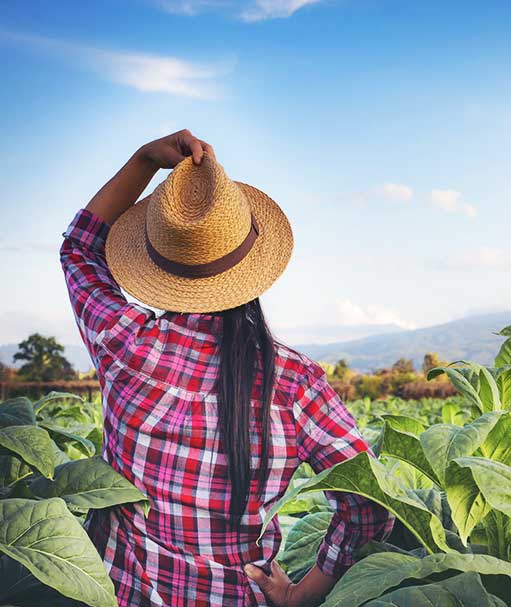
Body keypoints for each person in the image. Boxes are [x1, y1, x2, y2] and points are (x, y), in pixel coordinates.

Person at [59, 129, 395, 607]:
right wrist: (301, 595)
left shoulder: (125, 344)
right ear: (252, 265)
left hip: (121, 592)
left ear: (157, 266)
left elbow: (79, 249)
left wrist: (143, 161)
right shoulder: (295, 383)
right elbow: (370, 502)